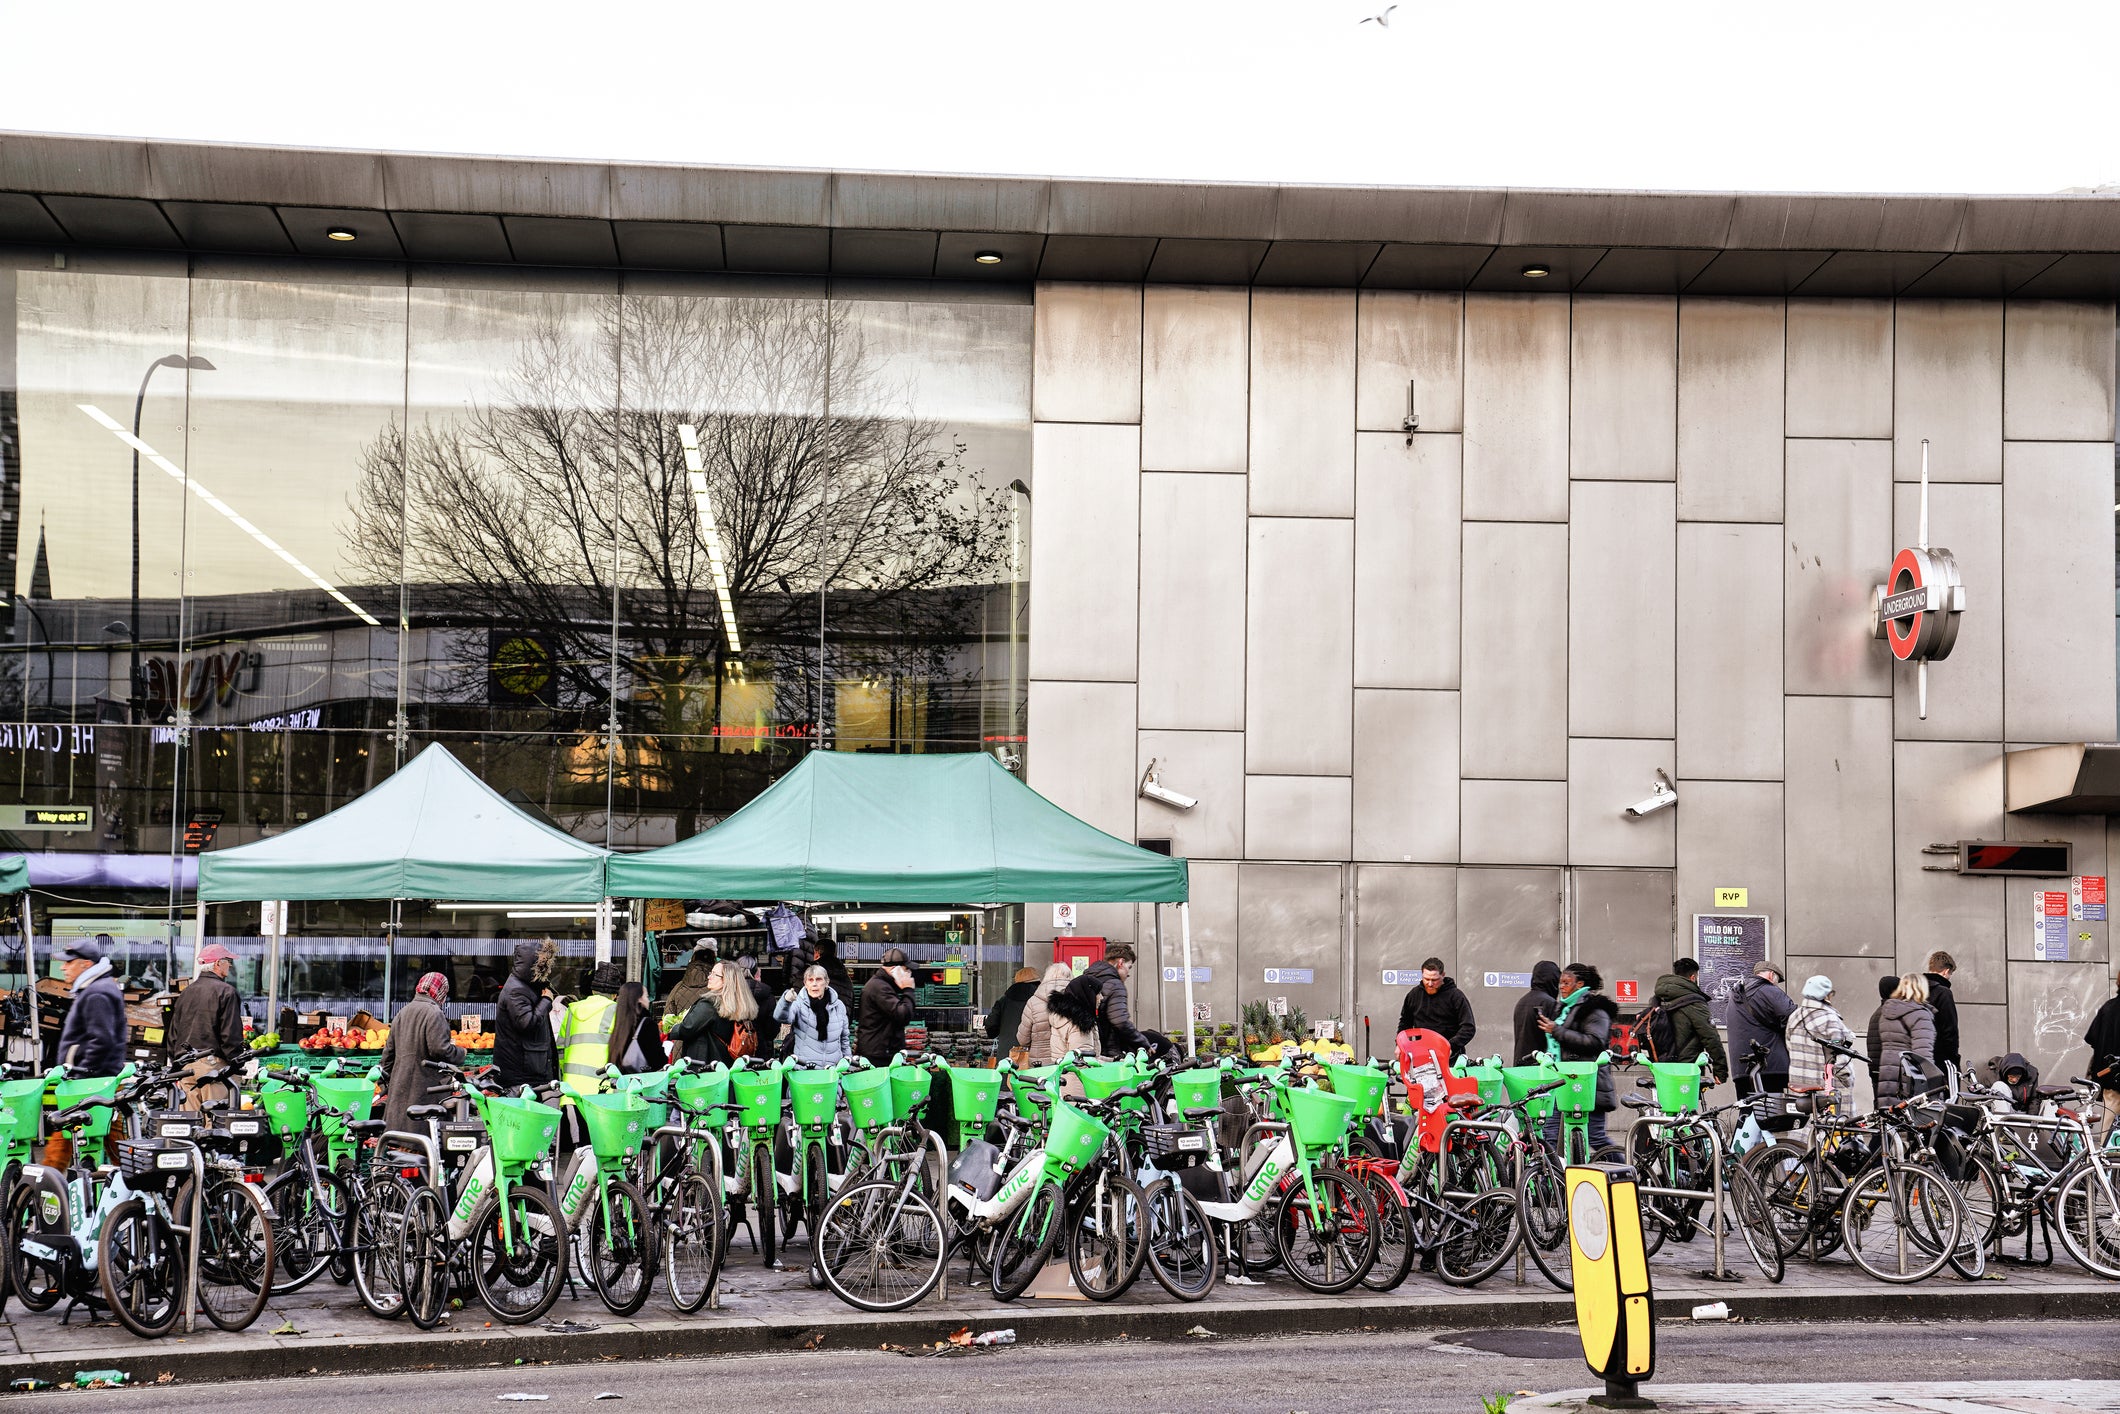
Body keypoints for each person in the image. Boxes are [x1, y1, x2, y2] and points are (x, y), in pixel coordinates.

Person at [1536, 961, 1617, 1155]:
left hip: (1587, 1083)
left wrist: (1556, 1030)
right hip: (1562, 1081)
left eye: (1566, 982)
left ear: (1579, 984)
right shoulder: (1565, 1008)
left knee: (1595, 1136)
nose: (1561, 987)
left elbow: (1595, 1041)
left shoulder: (1594, 1009)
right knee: (1551, 1134)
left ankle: (1626, 1173)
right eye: (1560, 983)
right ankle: (1554, 1181)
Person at [377, 972, 466, 1134]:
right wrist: (461, 1053)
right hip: (426, 1092)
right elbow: (440, 1049)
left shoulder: (402, 1012)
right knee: (424, 1147)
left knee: (399, 1143)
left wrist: (387, 1083)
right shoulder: (434, 1013)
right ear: (441, 992)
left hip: (400, 1093)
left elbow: (388, 1054)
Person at [167, 942, 245, 1107]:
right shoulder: (226, 992)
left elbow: (174, 1032)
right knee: (216, 1123)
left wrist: (177, 1060)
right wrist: (237, 1061)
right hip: (212, 1067)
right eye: (227, 961)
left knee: (189, 1124)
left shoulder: (187, 992)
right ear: (217, 963)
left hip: (185, 1067)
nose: (230, 965)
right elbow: (230, 1033)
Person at [54, 935, 126, 1079]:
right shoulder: (93, 989)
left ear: (86, 964)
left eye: (69, 962)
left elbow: (102, 1041)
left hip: (90, 1083)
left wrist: (81, 1075)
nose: (63, 967)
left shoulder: (97, 993)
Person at [1785, 975, 1860, 1111]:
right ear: (1826, 995)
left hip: (1799, 1083)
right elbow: (1841, 1058)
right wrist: (1847, 1080)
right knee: (1833, 1126)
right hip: (1825, 1085)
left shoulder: (1794, 1017)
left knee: (1806, 1124)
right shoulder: (1829, 1018)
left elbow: (1789, 1046)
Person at [1650, 957, 1729, 1084]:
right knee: (1686, 1103)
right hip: (1687, 1068)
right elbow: (1710, 1036)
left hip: (1661, 1066)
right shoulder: (1695, 1003)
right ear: (1693, 977)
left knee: (1666, 1102)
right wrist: (1720, 1070)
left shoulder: (1657, 999)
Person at [493, 940, 557, 1093]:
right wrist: (546, 1001)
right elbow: (527, 1023)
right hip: (521, 1075)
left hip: (527, 1070)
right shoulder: (516, 990)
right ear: (533, 965)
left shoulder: (524, 985)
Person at [670, 956, 758, 1066]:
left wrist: (672, 1028)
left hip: (704, 1065)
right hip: (726, 1064)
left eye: (714, 974)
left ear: (726, 980)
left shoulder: (710, 1004)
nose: (709, 977)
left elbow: (688, 1027)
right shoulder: (738, 1003)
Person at [1726, 961, 1795, 1097]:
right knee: (1771, 1111)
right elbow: (1792, 1017)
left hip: (1741, 1068)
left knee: (1747, 1110)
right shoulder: (1769, 990)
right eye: (1776, 981)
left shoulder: (1734, 996)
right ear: (1771, 975)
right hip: (1768, 1065)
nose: (1775, 984)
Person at [1873, 972, 1937, 1105]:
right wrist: (1934, 1086)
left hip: (1888, 1075)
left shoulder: (1886, 1013)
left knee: (1891, 1119)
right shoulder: (1920, 1014)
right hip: (1908, 1081)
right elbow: (1923, 1056)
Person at [1396, 958, 1477, 1061]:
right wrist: (1400, 1044)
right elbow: (1405, 1023)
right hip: (1420, 1056)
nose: (1430, 984)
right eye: (1426, 979)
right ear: (1422, 975)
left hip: (1450, 1058)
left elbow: (1468, 1028)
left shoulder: (1456, 996)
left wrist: (1450, 1046)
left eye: (1434, 980)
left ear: (1443, 975)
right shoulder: (1414, 995)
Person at [557, 962, 624, 1085]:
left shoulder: (572, 1010)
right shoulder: (617, 1011)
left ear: (593, 990)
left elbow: (560, 1050)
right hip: (601, 1093)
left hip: (570, 1091)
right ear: (615, 995)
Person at [775, 965, 851, 1065]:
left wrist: (848, 1062)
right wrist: (786, 1001)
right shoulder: (799, 1004)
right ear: (805, 984)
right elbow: (781, 1017)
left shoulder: (838, 1006)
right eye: (810, 980)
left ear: (826, 982)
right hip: (805, 1071)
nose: (814, 984)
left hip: (833, 1071)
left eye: (818, 979)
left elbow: (844, 1039)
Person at [1078, 943, 1146, 1056]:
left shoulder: (1086, 978)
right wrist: (1142, 1043)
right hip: (1108, 1049)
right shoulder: (1115, 984)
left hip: (1087, 1045)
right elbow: (1120, 1021)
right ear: (1120, 962)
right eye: (1129, 967)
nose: (1128, 973)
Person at [857, 947, 918, 1063]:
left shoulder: (881, 985)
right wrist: (908, 989)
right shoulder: (880, 988)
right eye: (906, 970)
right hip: (879, 1054)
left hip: (880, 1050)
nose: (909, 974)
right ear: (895, 969)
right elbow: (903, 1014)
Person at [2085, 966, 2120, 1138]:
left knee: (2109, 1119)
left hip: (2110, 1075)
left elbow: (2092, 1038)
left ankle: (2106, 1159)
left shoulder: (2108, 1008)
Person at [1018, 962, 1074, 1065]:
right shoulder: (1076, 1000)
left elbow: (1023, 1039)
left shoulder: (1033, 1002)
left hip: (1039, 1064)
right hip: (1066, 1063)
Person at [606, 980, 666, 1075]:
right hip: (642, 1083)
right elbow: (658, 1061)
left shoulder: (620, 1026)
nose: (648, 1000)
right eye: (646, 996)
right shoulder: (647, 1025)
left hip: (621, 1085)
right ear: (639, 999)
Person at [1046, 970, 1105, 1060]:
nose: (1101, 998)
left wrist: (1113, 1061)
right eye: (1098, 993)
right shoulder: (1080, 1023)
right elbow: (1084, 1063)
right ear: (1088, 994)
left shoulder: (1064, 1016)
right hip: (1077, 1074)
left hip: (1065, 1072)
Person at [1511, 961, 1561, 1066]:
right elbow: (1555, 1039)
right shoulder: (1549, 1003)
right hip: (1540, 1067)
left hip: (1521, 1063)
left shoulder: (1522, 1001)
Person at [1923, 950, 1962, 1077]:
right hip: (1941, 1059)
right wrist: (1954, 1059)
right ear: (1946, 971)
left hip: (1918, 1058)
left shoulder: (1915, 990)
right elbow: (1949, 1030)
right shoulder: (1943, 992)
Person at [987, 967, 1040, 1053]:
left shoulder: (1003, 1001)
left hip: (1007, 1053)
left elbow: (991, 1027)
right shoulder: (1041, 1001)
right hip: (1034, 1055)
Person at [735, 955, 780, 1058]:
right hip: (761, 1051)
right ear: (756, 973)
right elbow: (772, 1031)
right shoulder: (768, 996)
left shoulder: (729, 995)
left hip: (733, 1051)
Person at [1864, 973, 1898, 1095]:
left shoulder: (1876, 1014)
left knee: (1880, 1107)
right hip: (1889, 1072)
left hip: (1876, 1070)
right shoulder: (1893, 1014)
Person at [809, 938, 857, 1011]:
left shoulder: (809, 973)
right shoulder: (846, 978)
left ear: (817, 953)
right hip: (842, 1020)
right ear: (834, 953)